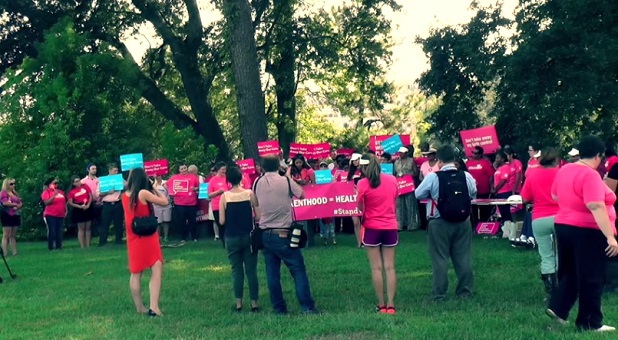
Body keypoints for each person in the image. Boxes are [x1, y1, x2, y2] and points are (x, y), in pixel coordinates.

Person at [547, 135, 618, 332]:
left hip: (564, 225)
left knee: (570, 271)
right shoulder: (590, 175)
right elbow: (595, 205)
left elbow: (554, 195)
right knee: (592, 275)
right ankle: (590, 321)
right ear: (598, 156)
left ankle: (559, 308)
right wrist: (610, 237)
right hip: (587, 229)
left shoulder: (565, 169)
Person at [253, 155, 319, 315]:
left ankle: (279, 308)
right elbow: (302, 195)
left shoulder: (256, 182)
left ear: (262, 167)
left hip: (265, 233)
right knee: (298, 270)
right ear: (278, 165)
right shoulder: (286, 181)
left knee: (272, 273)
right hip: (283, 232)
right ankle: (307, 307)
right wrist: (288, 176)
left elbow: (255, 202)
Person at [415, 145, 477, 301]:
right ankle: (465, 292)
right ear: (455, 159)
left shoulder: (433, 177)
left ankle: (439, 294)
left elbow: (418, 194)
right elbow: (473, 193)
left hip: (438, 221)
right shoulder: (466, 176)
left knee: (440, 258)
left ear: (439, 161)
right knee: (463, 257)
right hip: (463, 221)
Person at [122, 167, 169, 317]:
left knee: (136, 272)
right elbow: (164, 201)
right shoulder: (143, 193)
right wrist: (154, 186)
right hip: (148, 236)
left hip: (133, 237)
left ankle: (140, 307)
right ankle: (154, 307)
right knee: (156, 268)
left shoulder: (125, 195)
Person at [357, 154, 399, 314]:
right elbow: (394, 199)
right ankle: (391, 304)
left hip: (372, 227)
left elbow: (360, 208)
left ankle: (381, 305)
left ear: (363, 167)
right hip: (390, 226)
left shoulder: (362, 183)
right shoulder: (392, 180)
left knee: (376, 268)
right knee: (390, 267)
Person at [520, 147, 560, 303]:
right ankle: (566, 290)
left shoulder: (533, 175)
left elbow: (524, 199)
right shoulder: (562, 173)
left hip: (540, 218)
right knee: (563, 254)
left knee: (546, 255)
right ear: (556, 160)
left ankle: (551, 294)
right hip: (561, 217)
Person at [219, 166, 260, 312]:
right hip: (249, 236)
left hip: (231, 237)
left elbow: (222, 221)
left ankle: (238, 303)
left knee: (236, 270)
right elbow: (259, 215)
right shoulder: (249, 193)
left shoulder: (224, 196)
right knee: (251, 270)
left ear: (228, 180)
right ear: (241, 177)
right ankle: (254, 303)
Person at [168, 163, 200, 243]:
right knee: (181, 221)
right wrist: (171, 192)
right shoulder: (174, 178)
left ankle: (194, 237)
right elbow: (166, 185)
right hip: (179, 203)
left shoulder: (193, 177)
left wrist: (195, 188)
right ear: (179, 170)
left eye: (185, 168)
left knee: (192, 221)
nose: (184, 170)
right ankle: (183, 237)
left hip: (191, 203)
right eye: (182, 169)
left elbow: (199, 187)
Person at [97, 163, 125, 246]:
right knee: (105, 223)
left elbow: (127, 185)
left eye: (117, 171)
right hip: (107, 205)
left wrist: (123, 194)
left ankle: (119, 241)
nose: (116, 172)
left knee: (118, 223)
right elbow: (99, 193)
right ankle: (102, 242)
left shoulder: (119, 179)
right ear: (110, 171)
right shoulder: (103, 180)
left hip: (117, 203)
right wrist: (108, 192)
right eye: (114, 171)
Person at [466, 146, 495, 226]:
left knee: (484, 208)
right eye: (473, 153)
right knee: (473, 208)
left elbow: (490, 176)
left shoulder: (485, 163)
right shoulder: (468, 163)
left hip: (484, 190)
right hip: (472, 191)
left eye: (475, 153)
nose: (473, 155)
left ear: (480, 154)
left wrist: (491, 186)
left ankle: (484, 225)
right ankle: (474, 225)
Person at [394, 146, 419, 231]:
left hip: (409, 185)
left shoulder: (411, 161)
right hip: (399, 185)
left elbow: (416, 172)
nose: (400, 154)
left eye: (402, 152)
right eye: (399, 152)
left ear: (406, 153)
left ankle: (412, 225)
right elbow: (394, 173)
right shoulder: (396, 162)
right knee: (399, 204)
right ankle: (399, 225)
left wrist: (408, 177)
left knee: (410, 204)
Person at [208, 162, 231, 245]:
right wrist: (218, 192)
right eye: (222, 169)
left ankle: (229, 241)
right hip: (217, 206)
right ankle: (224, 243)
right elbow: (209, 195)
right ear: (218, 170)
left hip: (228, 205)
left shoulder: (228, 178)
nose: (224, 171)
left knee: (229, 225)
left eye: (225, 169)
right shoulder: (212, 180)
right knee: (221, 225)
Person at [41, 178, 67, 251]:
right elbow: (46, 202)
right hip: (50, 214)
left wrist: (66, 210)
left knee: (59, 231)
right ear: (49, 184)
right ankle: (51, 247)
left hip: (60, 214)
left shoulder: (61, 192)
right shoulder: (46, 192)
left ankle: (59, 246)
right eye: (54, 183)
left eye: (57, 183)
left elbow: (64, 202)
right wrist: (54, 196)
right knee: (52, 231)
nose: (56, 185)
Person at [68, 176, 93, 249]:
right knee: (81, 228)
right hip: (78, 208)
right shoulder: (71, 191)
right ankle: (82, 246)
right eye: (76, 181)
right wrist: (79, 207)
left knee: (88, 227)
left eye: (79, 180)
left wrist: (88, 205)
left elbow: (90, 195)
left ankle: (88, 245)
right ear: (73, 183)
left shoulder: (85, 186)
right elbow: (70, 202)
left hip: (88, 206)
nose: (78, 182)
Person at [492, 150, 515, 226]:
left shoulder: (506, 167)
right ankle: (506, 228)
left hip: (505, 192)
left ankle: (511, 228)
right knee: (502, 212)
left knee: (506, 212)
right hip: (499, 193)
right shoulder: (499, 168)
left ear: (502, 159)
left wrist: (495, 190)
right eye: (496, 158)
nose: (496, 159)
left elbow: (503, 180)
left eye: (498, 158)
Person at [1, 178, 22, 256]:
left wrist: (18, 206)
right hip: (7, 214)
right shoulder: (3, 193)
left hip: (15, 214)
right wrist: (14, 204)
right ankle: (5, 252)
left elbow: (20, 202)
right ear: (6, 184)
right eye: (11, 184)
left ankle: (14, 251)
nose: (13, 185)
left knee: (13, 234)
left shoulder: (15, 193)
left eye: (14, 183)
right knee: (6, 234)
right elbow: (5, 203)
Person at [152, 175, 172, 242]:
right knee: (158, 222)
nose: (158, 177)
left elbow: (171, 192)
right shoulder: (153, 184)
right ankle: (158, 237)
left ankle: (166, 237)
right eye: (156, 176)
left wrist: (166, 187)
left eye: (159, 175)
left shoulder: (166, 182)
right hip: (157, 205)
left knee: (166, 221)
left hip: (167, 205)